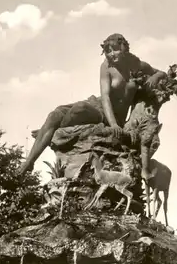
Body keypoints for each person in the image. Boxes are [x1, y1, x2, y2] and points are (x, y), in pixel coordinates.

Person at [18, 33, 166, 177]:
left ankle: (51, 130)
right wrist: (114, 124)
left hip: (108, 116)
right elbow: (106, 96)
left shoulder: (136, 64)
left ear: (124, 48)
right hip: (98, 106)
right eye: (108, 51)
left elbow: (163, 73)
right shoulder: (106, 67)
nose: (112, 54)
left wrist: (155, 76)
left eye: (115, 49)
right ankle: (29, 163)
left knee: (79, 109)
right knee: (54, 114)